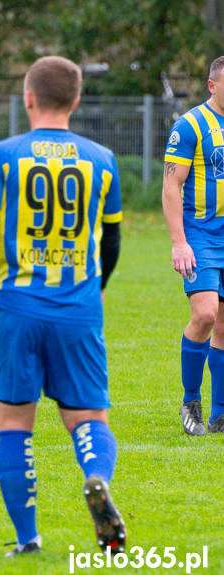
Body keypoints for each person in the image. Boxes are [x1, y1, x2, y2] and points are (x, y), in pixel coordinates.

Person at [0, 56, 125, 556]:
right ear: (77, 100)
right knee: (88, 417)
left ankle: (27, 539)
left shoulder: (3, 154)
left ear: (28, 98)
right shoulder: (102, 158)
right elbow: (111, 242)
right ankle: (94, 478)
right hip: (78, 308)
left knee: (15, 423)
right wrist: (97, 287)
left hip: (14, 307)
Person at [163, 55, 224, 436]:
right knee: (204, 315)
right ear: (212, 85)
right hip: (200, 234)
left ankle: (220, 415)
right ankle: (191, 401)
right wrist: (179, 242)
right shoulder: (190, 125)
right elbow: (171, 185)